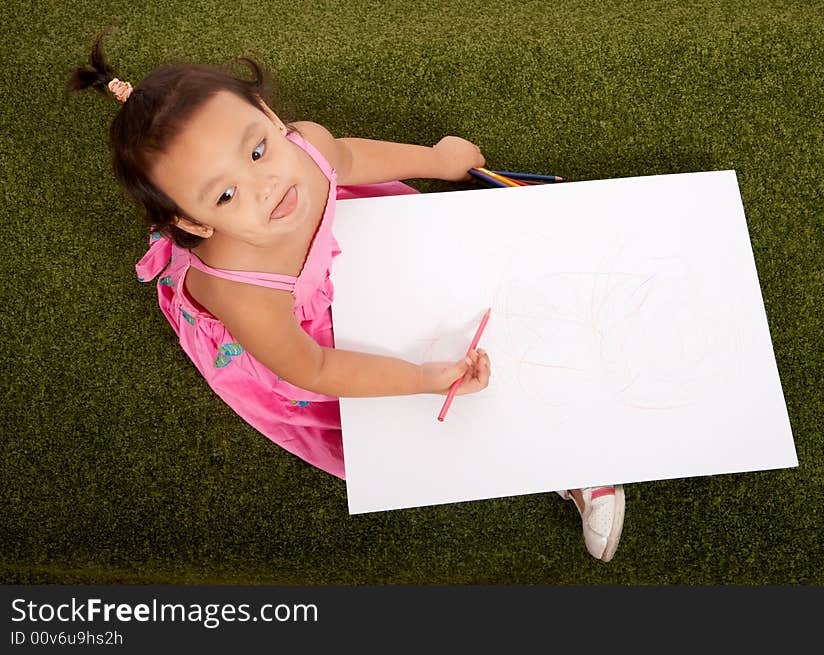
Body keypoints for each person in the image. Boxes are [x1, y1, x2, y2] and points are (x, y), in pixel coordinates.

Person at [65, 30, 625, 562]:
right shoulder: (241, 291)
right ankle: (562, 463)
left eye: (258, 151)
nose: (267, 186)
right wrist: (421, 379)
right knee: (421, 405)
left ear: (270, 115)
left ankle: (560, 422)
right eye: (227, 193)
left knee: (485, 288)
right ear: (195, 222)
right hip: (299, 333)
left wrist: (437, 160)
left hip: (356, 244)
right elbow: (315, 366)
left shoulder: (305, 147)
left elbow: (350, 159)